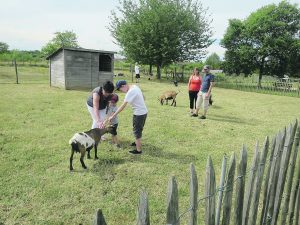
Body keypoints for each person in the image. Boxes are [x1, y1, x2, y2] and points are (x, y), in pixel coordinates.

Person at [109, 80, 148, 154]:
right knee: (139, 129)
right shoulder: (135, 86)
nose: (122, 91)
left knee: (137, 131)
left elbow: (122, 106)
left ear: (123, 86)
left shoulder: (130, 92)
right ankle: (137, 142)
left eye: (120, 89)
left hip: (139, 114)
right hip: (144, 112)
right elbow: (143, 96)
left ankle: (138, 150)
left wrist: (113, 116)